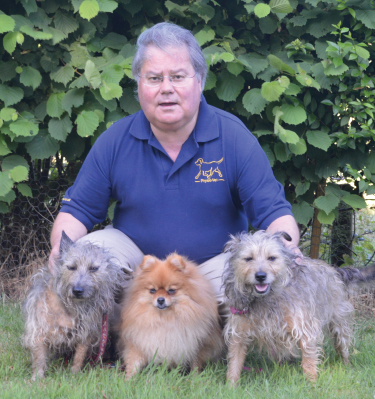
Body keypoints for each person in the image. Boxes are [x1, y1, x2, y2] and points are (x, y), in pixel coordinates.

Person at [49, 22, 301, 311]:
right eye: (154, 78)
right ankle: (104, 331)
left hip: (208, 272)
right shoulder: (115, 140)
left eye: (178, 76)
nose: (166, 88)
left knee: (243, 284)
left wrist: (289, 250)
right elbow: (75, 212)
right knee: (86, 253)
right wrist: (60, 250)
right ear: (139, 85)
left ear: (200, 81)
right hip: (138, 273)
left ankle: (195, 326)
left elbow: (274, 213)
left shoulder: (233, 137)